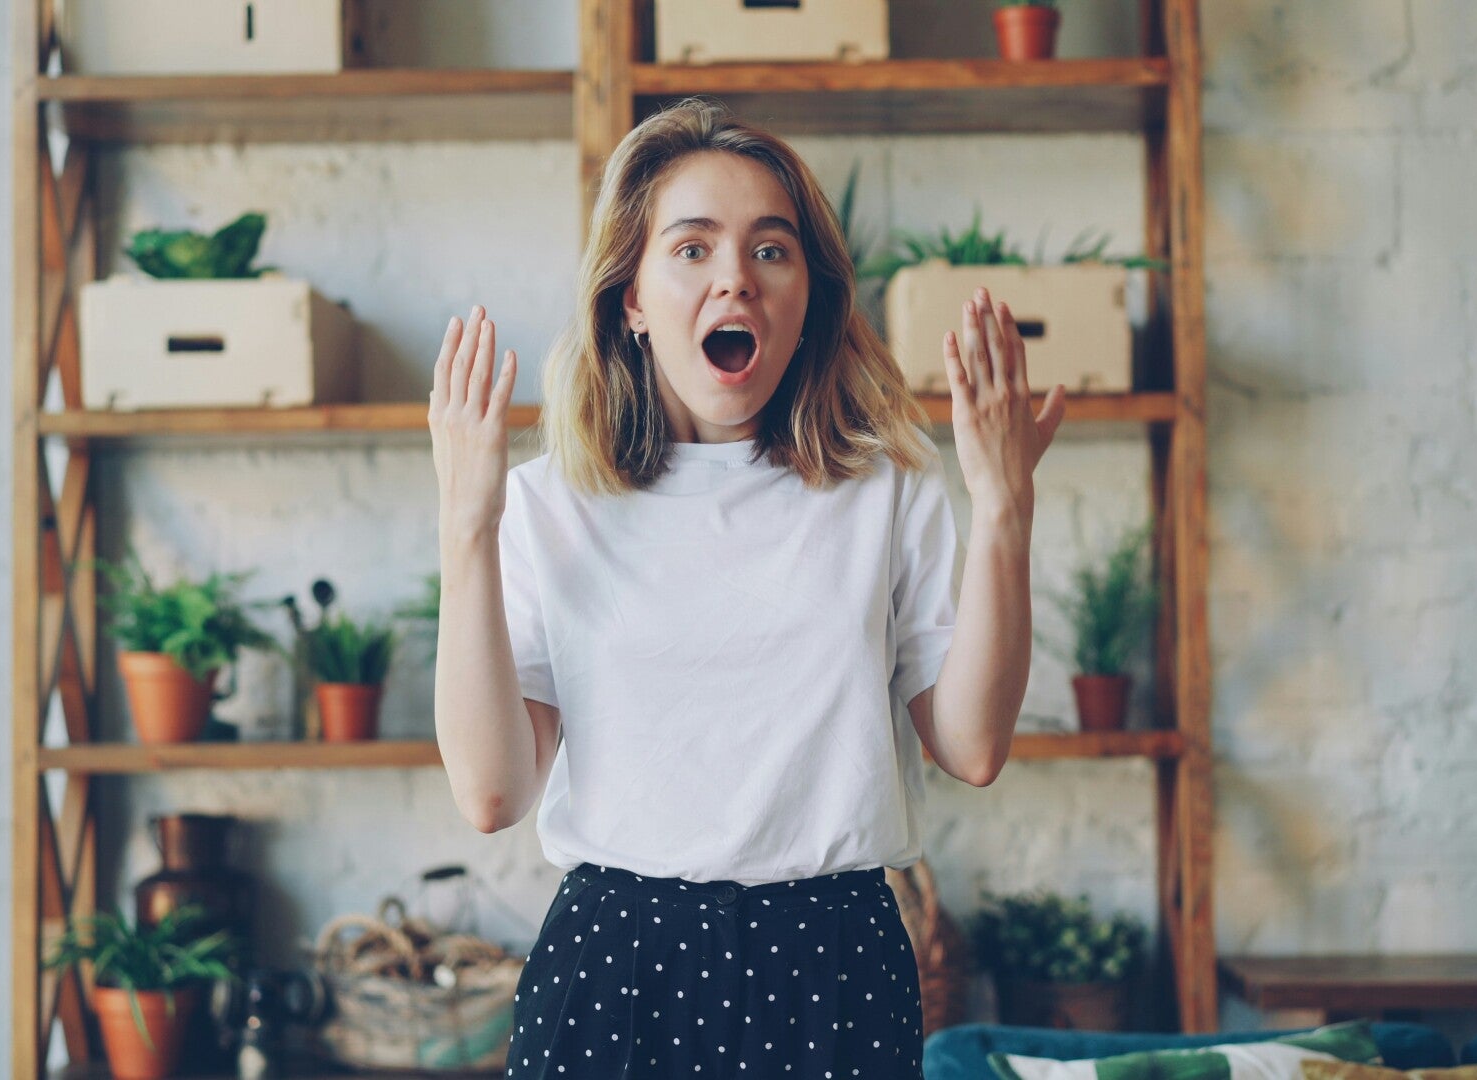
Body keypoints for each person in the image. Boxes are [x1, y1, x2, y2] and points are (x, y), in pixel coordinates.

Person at [429, 97, 1065, 1080]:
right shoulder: (547, 506)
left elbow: (973, 747)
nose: (736, 277)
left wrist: (1006, 508)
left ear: (809, 294)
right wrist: (466, 530)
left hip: (836, 966)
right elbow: (490, 790)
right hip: (615, 965)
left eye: (772, 250)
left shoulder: (887, 493)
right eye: (692, 249)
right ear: (632, 299)